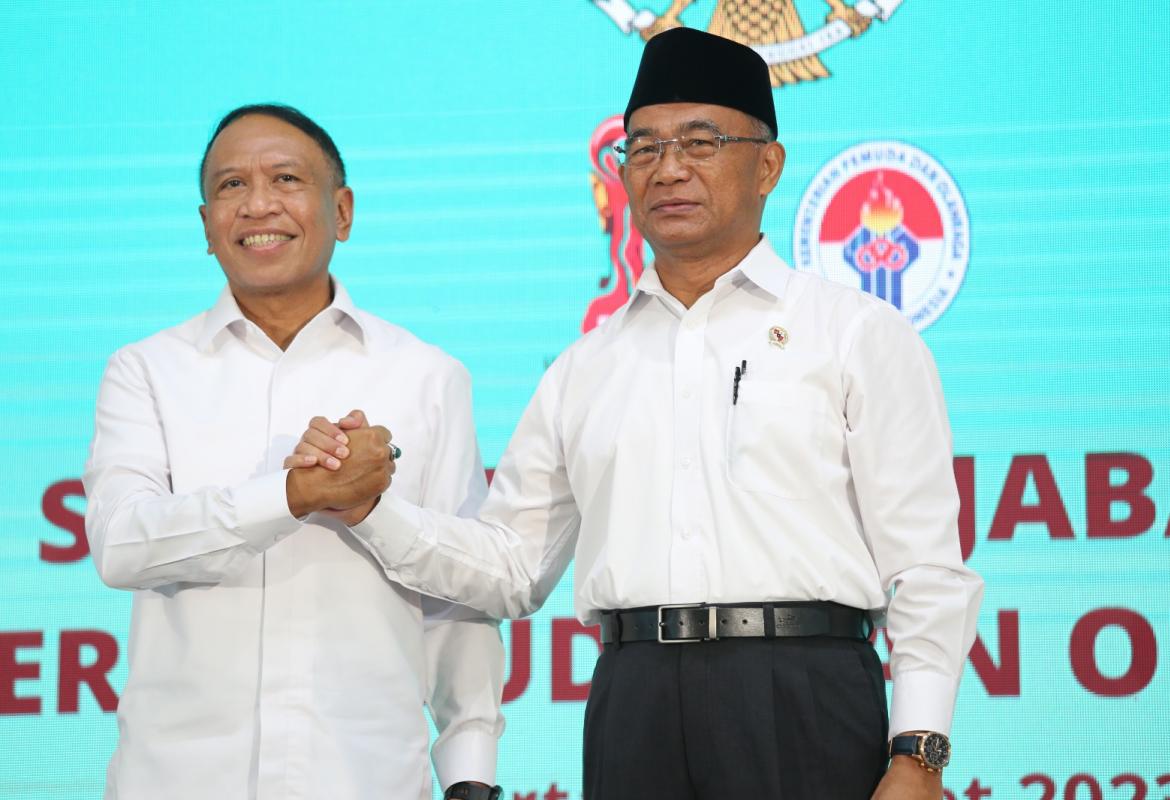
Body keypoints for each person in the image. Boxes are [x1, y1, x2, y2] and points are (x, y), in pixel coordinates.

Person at [291, 28, 983, 800]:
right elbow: (511, 567)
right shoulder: (586, 367)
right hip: (635, 703)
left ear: (768, 166)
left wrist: (918, 751)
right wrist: (371, 510)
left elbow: (926, 564)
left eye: (700, 142)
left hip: (804, 697)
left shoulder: (854, 333)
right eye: (644, 148)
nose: (669, 168)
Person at [83, 104, 504, 800]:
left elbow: (460, 591)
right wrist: (292, 495)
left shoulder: (427, 376)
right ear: (206, 227)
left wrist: (469, 770)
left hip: (366, 778)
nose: (258, 205)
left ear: (342, 211)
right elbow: (122, 543)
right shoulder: (147, 370)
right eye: (231, 186)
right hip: (179, 780)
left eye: (285, 179)